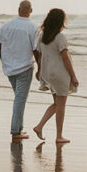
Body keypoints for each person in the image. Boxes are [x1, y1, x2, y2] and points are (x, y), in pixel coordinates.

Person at [32, 8, 79, 144]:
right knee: (61, 105)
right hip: (60, 73)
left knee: (56, 104)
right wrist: (74, 76)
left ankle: (39, 126)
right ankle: (59, 136)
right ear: (60, 21)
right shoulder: (60, 37)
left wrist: (39, 71)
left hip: (48, 73)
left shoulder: (42, 36)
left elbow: (40, 56)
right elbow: (65, 58)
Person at [0, 0, 37, 141]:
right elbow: (35, 49)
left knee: (19, 99)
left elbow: (0, 45)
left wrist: (4, 62)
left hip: (10, 68)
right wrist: (40, 67)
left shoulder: (7, 26)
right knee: (20, 99)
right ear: (30, 11)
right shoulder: (32, 27)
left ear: (19, 9)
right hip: (25, 67)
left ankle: (19, 128)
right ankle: (15, 131)